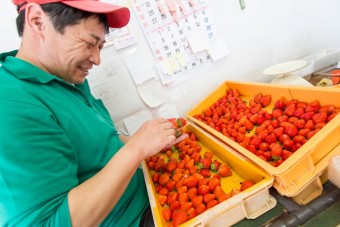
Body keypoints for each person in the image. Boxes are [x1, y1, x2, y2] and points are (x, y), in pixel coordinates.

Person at [0, 0, 182, 226]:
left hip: (155, 193)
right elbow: (47, 221)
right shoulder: (9, 104)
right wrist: (137, 149)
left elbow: (100, 146)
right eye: (89, 43)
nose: (97, 59)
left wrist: (147, 143)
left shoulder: (65, 76)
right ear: (37, 21)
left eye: (100, 47)